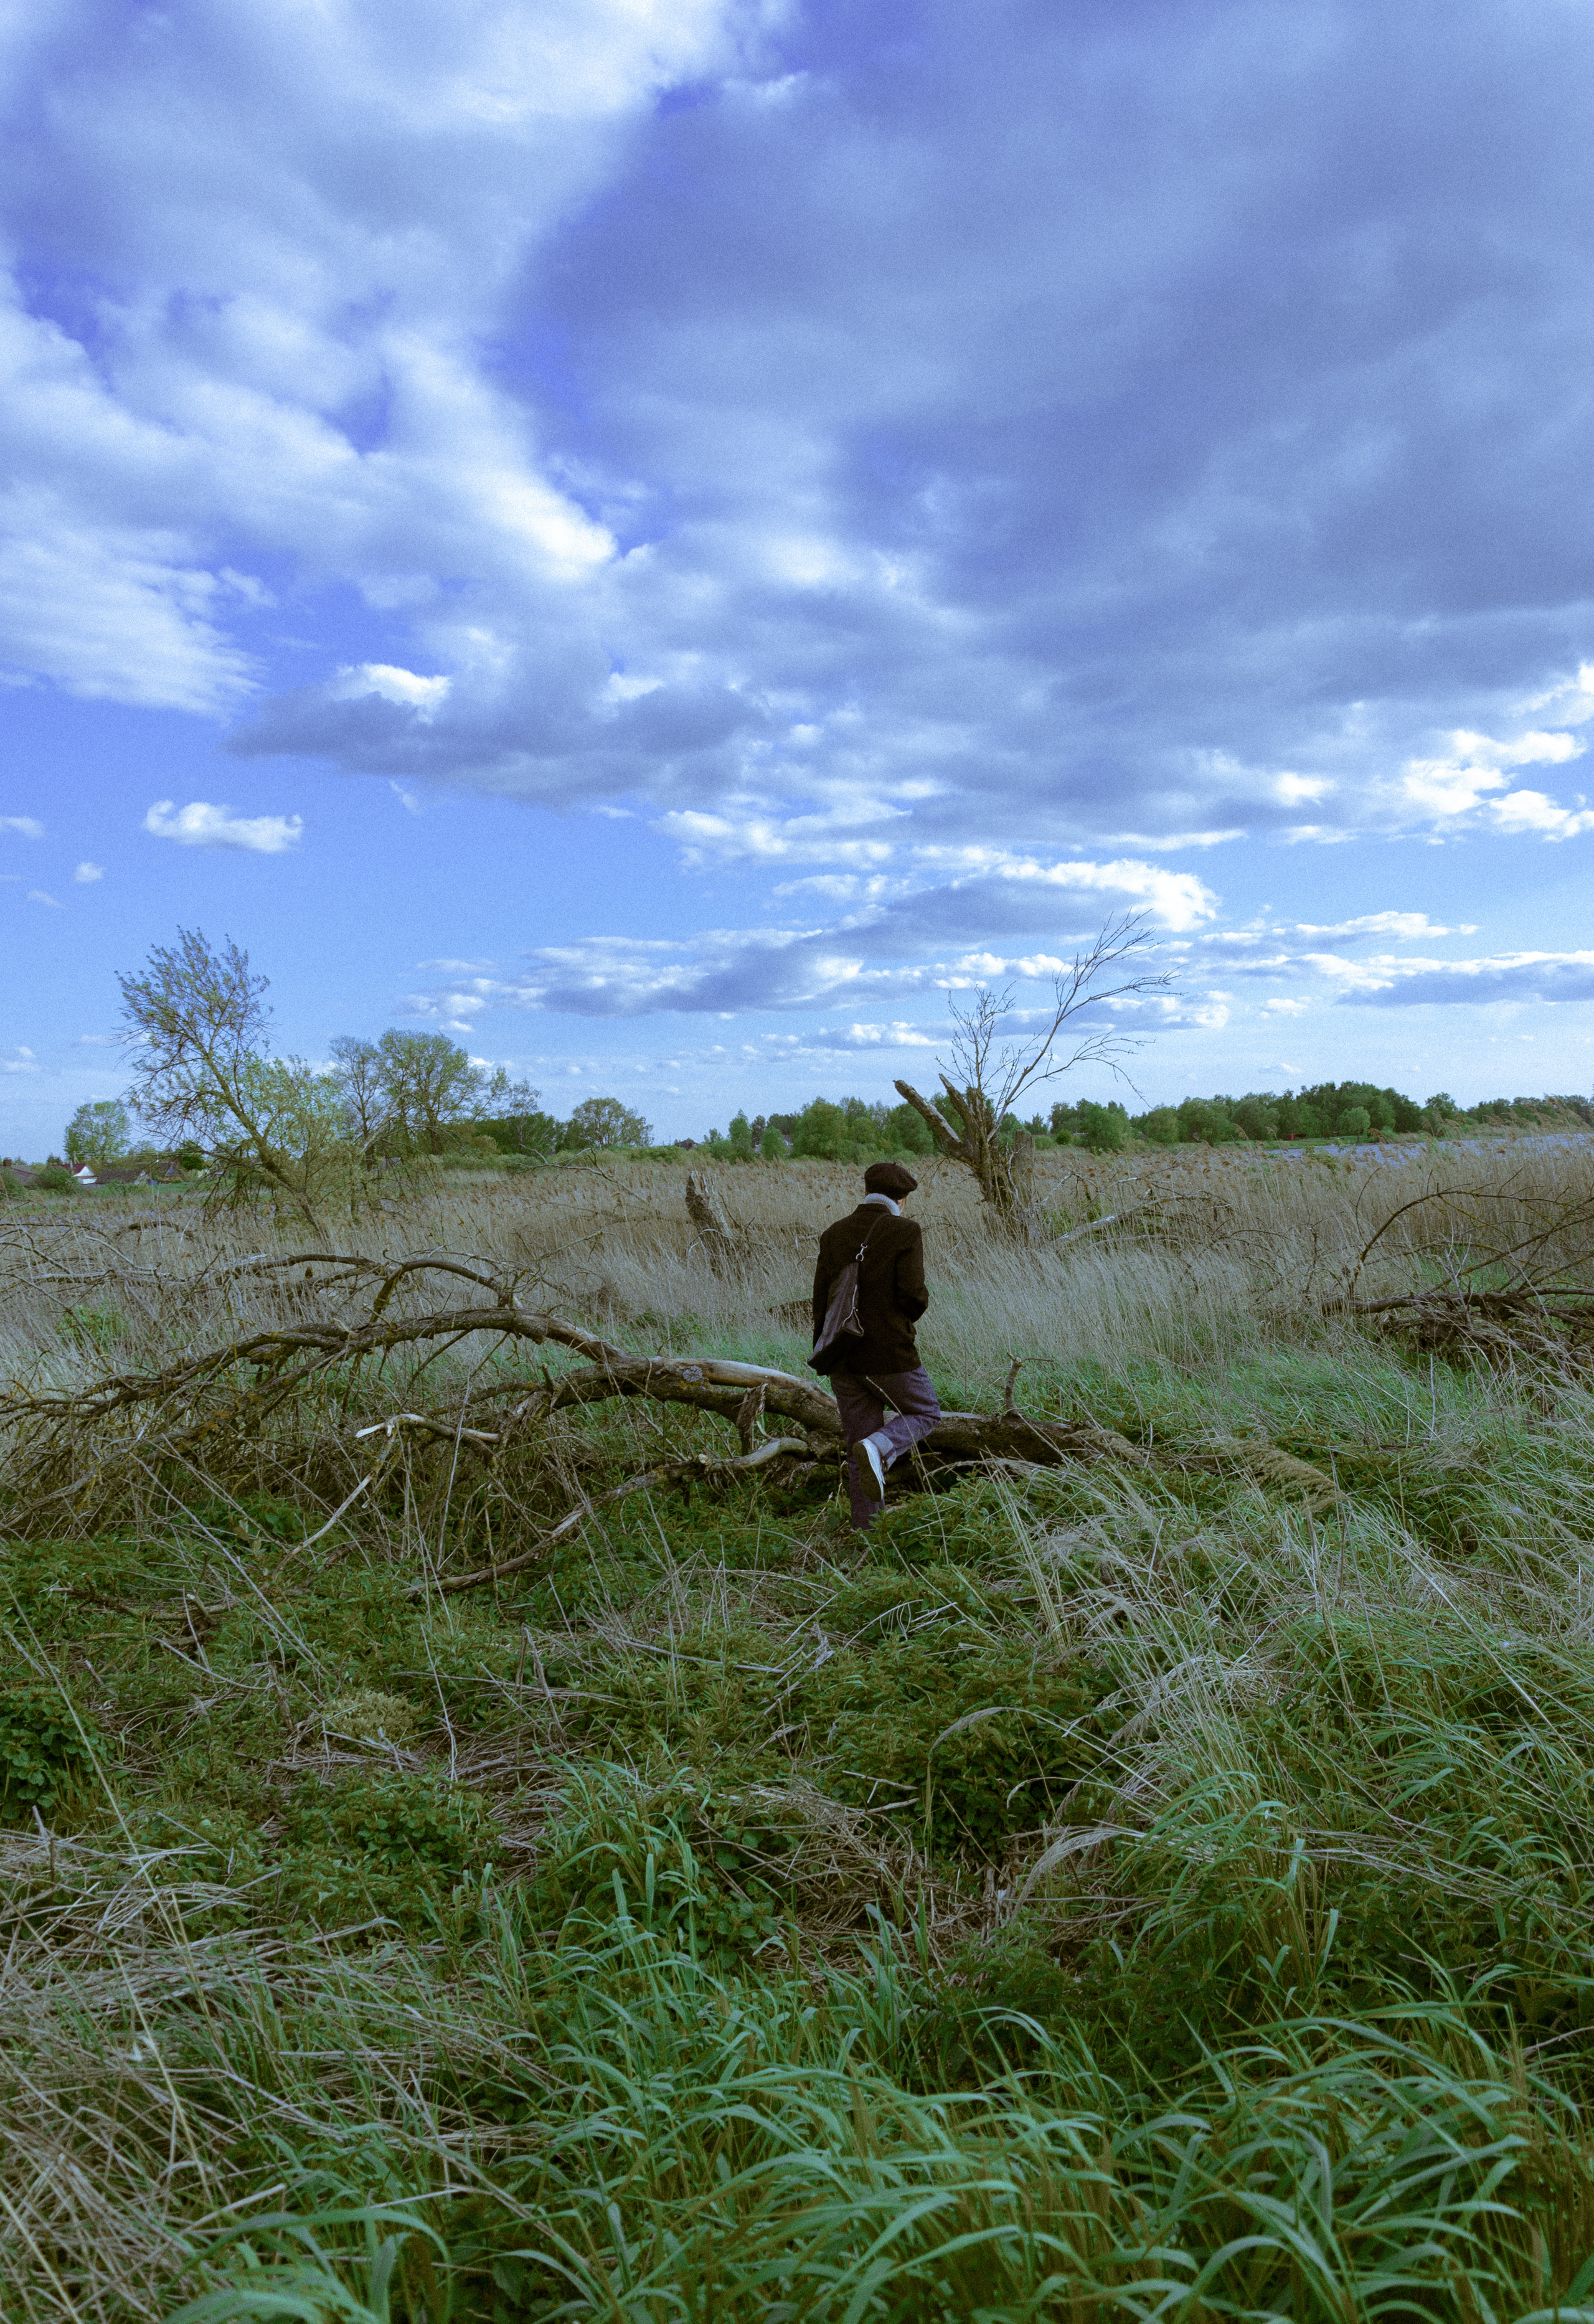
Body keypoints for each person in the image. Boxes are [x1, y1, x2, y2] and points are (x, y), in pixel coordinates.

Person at [811, 1159, 941, 1529]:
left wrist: (827, 1350)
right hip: (888, 1355)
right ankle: (881, 1446)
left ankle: (867, 1535)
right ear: (902, 1199)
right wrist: (901, 1325)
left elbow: (821, 1300)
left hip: (841, 1355)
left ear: (866, 1190)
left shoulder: (834, 1232)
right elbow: (913, 1296)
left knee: (858, 1450)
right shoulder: (905, 1230)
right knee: (926, 1412)